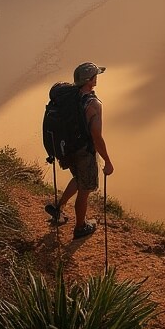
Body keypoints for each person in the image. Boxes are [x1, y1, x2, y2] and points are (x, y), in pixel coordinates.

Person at [45, 61, 115, 239]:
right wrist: (107, 161)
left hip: (68, 149)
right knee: (84, 192)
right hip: (84, 152)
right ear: (90, 80)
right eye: (95, 76)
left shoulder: (70, 97)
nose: (96, 78)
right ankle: (80, 227)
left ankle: (58, 207)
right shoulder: (92, 103)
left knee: (78, 179)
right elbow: (96, 137)